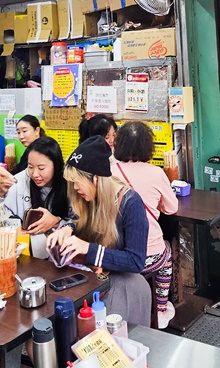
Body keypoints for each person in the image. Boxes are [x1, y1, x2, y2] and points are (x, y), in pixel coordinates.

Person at [47, 136, 151, 326]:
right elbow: (78, 221)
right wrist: (67, 229)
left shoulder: (131, 204)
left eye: (78, 182)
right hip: (93, 277)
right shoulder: (87, 198)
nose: (75, 188)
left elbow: (136, 261)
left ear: (96, 179)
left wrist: (88, 249)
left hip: (123, 283)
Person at [111, 121, 178, 328]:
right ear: (148, 147)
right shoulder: (156, 173)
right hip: (148, 258)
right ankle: (160, 308)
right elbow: (171, 208)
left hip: (116, 255)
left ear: (118, 145)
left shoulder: (108, 170)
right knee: (166, 255)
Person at [0, 136, 75, 234]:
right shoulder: (22, 180)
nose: (35, 174)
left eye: (41, 168)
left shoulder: (71, 184)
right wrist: (0, 192)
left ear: (56, 165)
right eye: (30, 167)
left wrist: (56, 222)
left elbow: (83, 223)